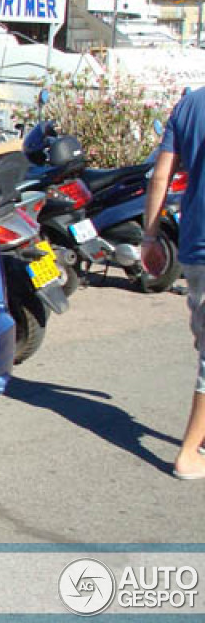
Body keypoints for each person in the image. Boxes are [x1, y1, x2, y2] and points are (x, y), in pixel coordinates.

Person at [144, 88, 205, 480]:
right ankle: (187, 453)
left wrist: (150, 236)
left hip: (195, 245)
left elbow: (161, 174)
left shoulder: (189, 104)